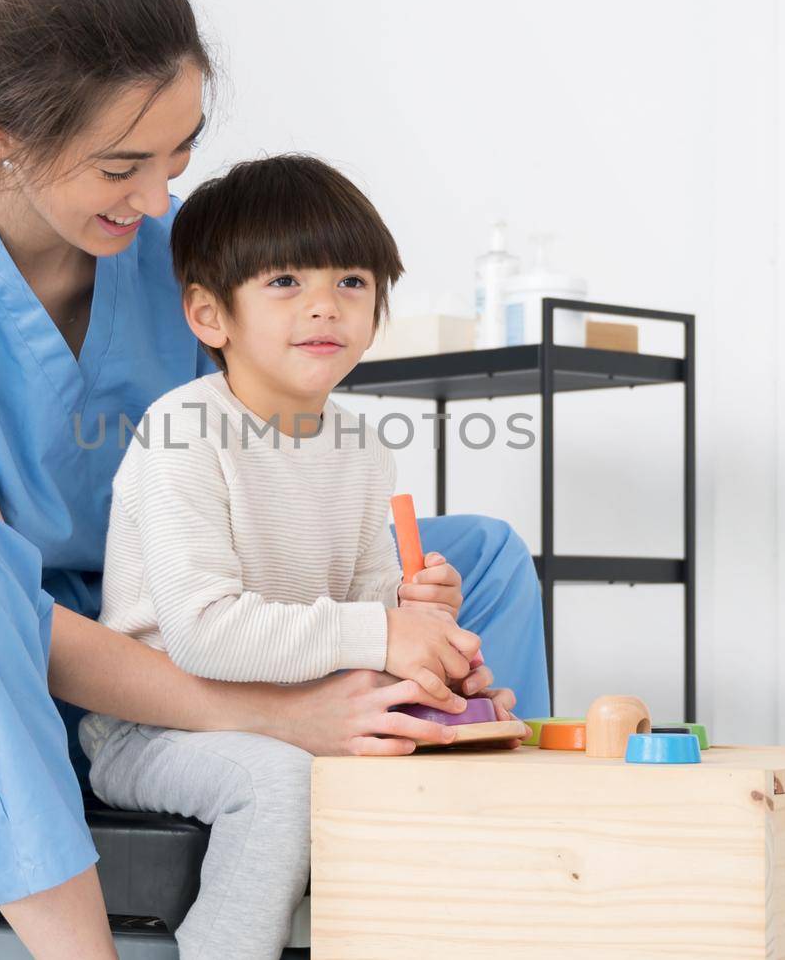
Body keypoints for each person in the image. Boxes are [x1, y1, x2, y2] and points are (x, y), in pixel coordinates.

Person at [0, 0, 548, 957]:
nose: (156, 195)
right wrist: (279, 711)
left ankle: (491, 892)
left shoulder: (169, 256)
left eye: (176, 154)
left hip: (145, 635)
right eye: (119, 165)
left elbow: (256, 482)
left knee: (480, 558)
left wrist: (399, 623)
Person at [82, 154, 513, 958]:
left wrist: (421, 626)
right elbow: (205, 633)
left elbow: (363, 599)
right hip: (154, 728)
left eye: (351, 281)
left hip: (294, 707)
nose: (325, 305)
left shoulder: (360, 444)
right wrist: (380, 634)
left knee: (442, 745)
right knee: (276, 785)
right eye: (286, 281)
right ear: (211, 315)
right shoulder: (183, 432)